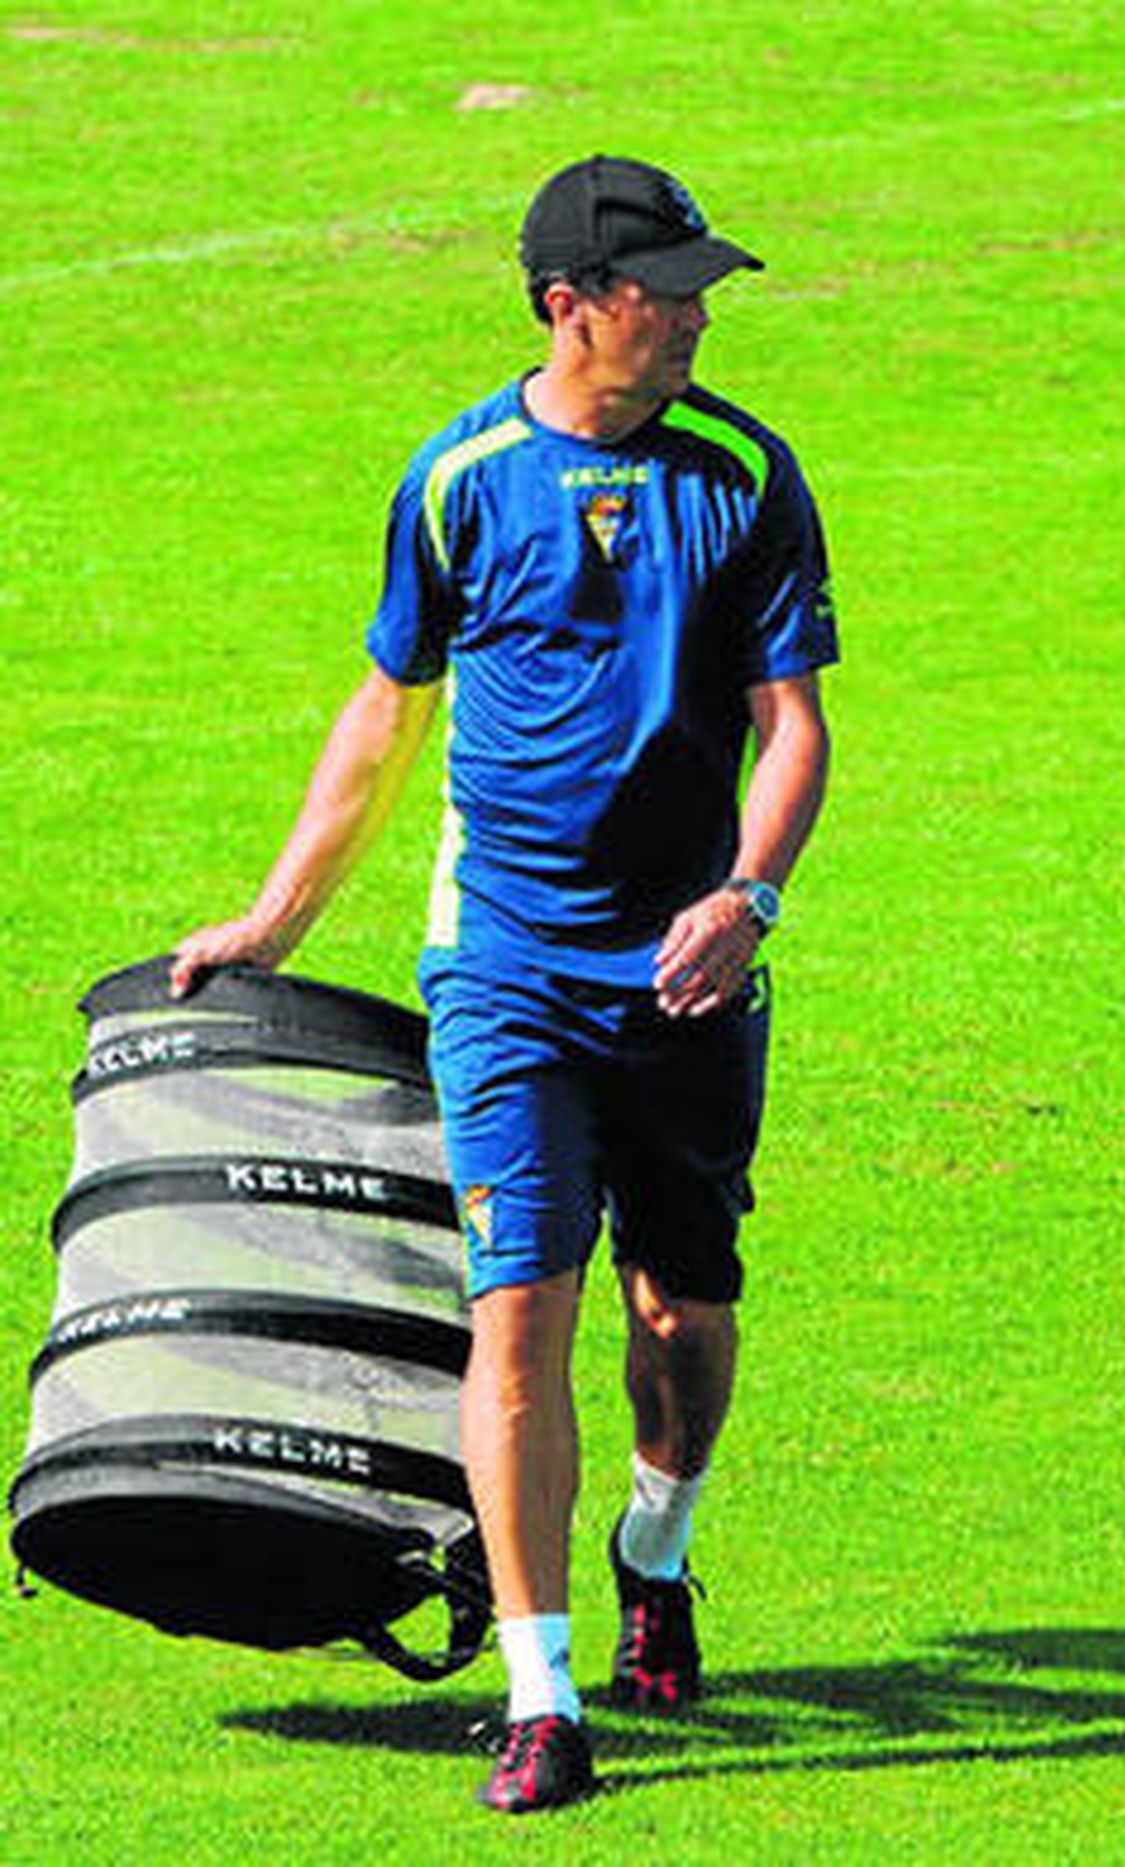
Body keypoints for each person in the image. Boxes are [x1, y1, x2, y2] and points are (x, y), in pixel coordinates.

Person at [169, 153, 837, 1814]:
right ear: (570, 307)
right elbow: (384, 713)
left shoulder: (746, 476)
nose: (693, 315)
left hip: (687, 969)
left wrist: (748, 897)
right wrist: (275, 919)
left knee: (680, 1316)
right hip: (509, 966)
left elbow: (795, 729)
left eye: (697, 290)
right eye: (665, 290)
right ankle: (545, 1697)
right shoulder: (458, 478)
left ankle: (655, 1546)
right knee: (516, 1310)